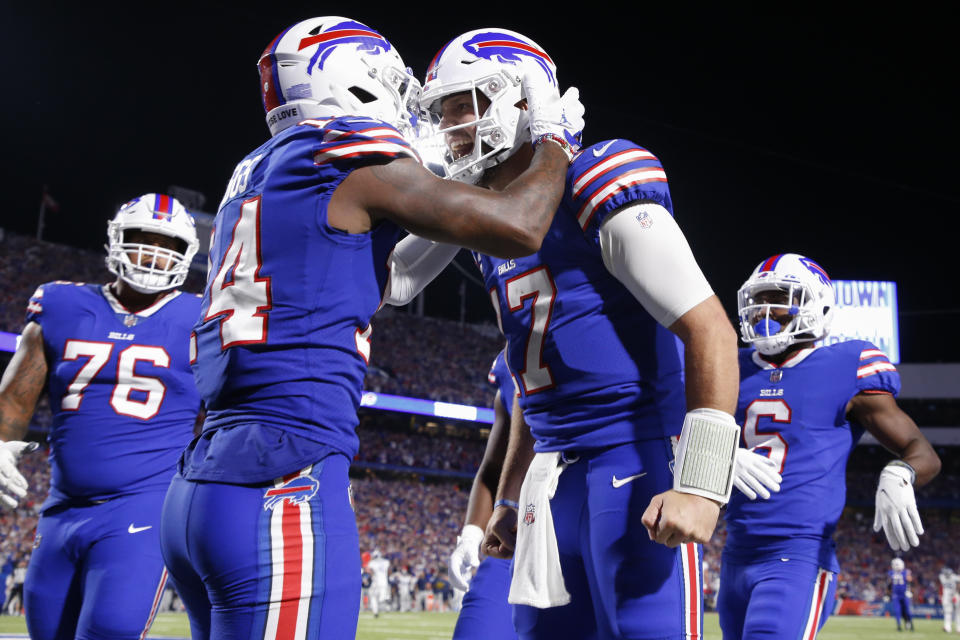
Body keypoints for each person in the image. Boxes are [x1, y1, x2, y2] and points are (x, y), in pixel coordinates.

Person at [158, 16, 583, 640]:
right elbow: (520, 226)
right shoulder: (343, 149)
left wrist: (457, 184)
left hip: (200, 487)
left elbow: (393, 281)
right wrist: (553, 139)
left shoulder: (262, 169)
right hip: (281, 474)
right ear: (349, 78)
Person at [421, 28, 742, 640]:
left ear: (524, 98)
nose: (452, 123)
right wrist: (511, 500)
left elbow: (712, 330)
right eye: (444, 110)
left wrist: (701, 486)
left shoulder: (598, 176)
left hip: (635, 457)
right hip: (553, 474)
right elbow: (525, 392)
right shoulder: (494, 225)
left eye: (465, 103)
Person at [0, 193, 202, 638]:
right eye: (141, 240)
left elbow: (220, 411)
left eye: (166, 245)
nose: (151, 254)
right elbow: (16, 395)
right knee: (47, 632)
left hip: (145, 505)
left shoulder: (200, 318)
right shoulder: (61, 305)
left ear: (185, 256)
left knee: (111, 629)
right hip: (61, 508)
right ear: (115, 240)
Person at [716, 253, 941, 639]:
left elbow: (921, 451)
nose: (764, 311)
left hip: (798, 556)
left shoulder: (846, 364)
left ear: (816, 307)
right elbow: (676, 439)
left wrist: (900, 472)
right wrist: (715, 452)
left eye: (779, 299)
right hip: (733, 554)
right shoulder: (730, 367)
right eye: (757, 301)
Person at [448, 350, 517, 640]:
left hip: (601, 521)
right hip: (517, 535)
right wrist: (472, 534)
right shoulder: (511, 355)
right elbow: (494, 466)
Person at [889, 557, 914, 631]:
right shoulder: (892, 572)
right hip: (896, 595)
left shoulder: (906, 572)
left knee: (907, 611)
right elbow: (890, 584)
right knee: (897, 611)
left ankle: (910, 623)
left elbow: (910, 581)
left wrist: (909, 590)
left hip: (904, 594)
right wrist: (887, 594)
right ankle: (899, 626)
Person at [368, 549, 391, 617]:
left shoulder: (372, 563)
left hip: (376, 582)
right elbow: (389, 571)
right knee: (381, 596)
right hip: (384, 582)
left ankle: (376, 612)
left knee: (373, 596)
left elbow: (370, 572)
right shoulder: (386, 562)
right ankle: (386, 601)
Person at [940, 565, 959, 633]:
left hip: (947, 597)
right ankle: (957, 628)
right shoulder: (953, 577)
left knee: (948, 613)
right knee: (957, 613)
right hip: (954, 595)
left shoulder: (942, 577)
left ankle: (948, 627)